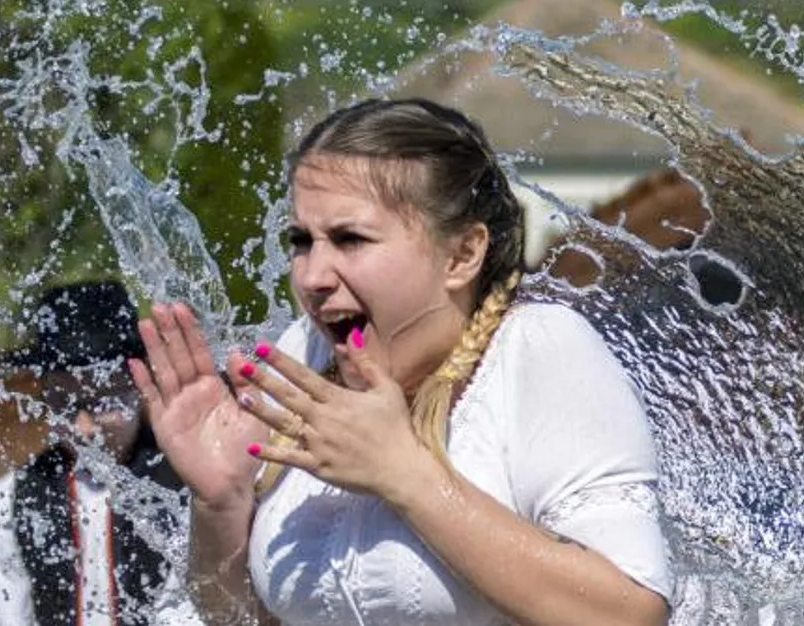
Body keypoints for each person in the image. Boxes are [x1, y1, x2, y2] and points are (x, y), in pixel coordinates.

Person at [128, 98, 673, 625]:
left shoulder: (537, 350)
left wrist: (407, 477)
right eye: (301, 240)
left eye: (351, 239)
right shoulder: (302, 355)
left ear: (461, 255)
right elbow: (243, 622)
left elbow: (629, 612)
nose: (313, 276)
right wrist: (221, 504)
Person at [0, 280, 197, 625]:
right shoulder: (8, 500)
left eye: (102, 401)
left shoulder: (188, 485)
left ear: (140, 384)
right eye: (64, 402)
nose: (84, 426)